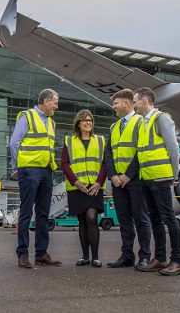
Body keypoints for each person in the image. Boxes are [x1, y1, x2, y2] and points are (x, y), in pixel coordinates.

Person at [132, 87, 180, 276]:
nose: (134, 105)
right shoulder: (143, 123)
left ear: (144, 100)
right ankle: (160, 258)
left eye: (136, 101)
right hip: (147, 177)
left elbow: (173, 147)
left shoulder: (161, 118)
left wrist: (174, 174)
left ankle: (177, 261)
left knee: (168, 217)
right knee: (155, 219)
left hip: (161, 176)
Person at [10, 88, 62, 268]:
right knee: (26, 213)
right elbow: (14, 143)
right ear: (46, 101)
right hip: (29, 170)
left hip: (46, 171)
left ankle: (41, 253)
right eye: (55, 102)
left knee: (43, 213)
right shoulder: (28, 116)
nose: (56, 106)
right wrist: (17, 166)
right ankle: (22, 254)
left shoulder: (51, 123)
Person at [104, 89, 152, 269]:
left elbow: (143, 150)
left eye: (115, 103)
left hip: (137, 180)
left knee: (141, 219)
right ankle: (127, 256)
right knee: (123, 219)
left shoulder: (141, 122)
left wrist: (127, 175)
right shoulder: (114, 127)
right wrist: (113, 176)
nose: (113, 107)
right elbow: (109, 152)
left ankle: (145, 256)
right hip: (118, 182)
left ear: (126, 103)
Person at [61, 110, 107, 267]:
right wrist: (75, 182)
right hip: (77, 187)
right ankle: (85, 256)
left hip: (94, 187)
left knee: (91, 217)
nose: (88, 123)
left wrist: (99, 182)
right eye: (85, 120)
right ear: (78, 124)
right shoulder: (69, 141)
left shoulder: (100, 140)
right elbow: (64, 164)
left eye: (91, 120)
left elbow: (105, 164)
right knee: (82, 221)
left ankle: (95, 257)